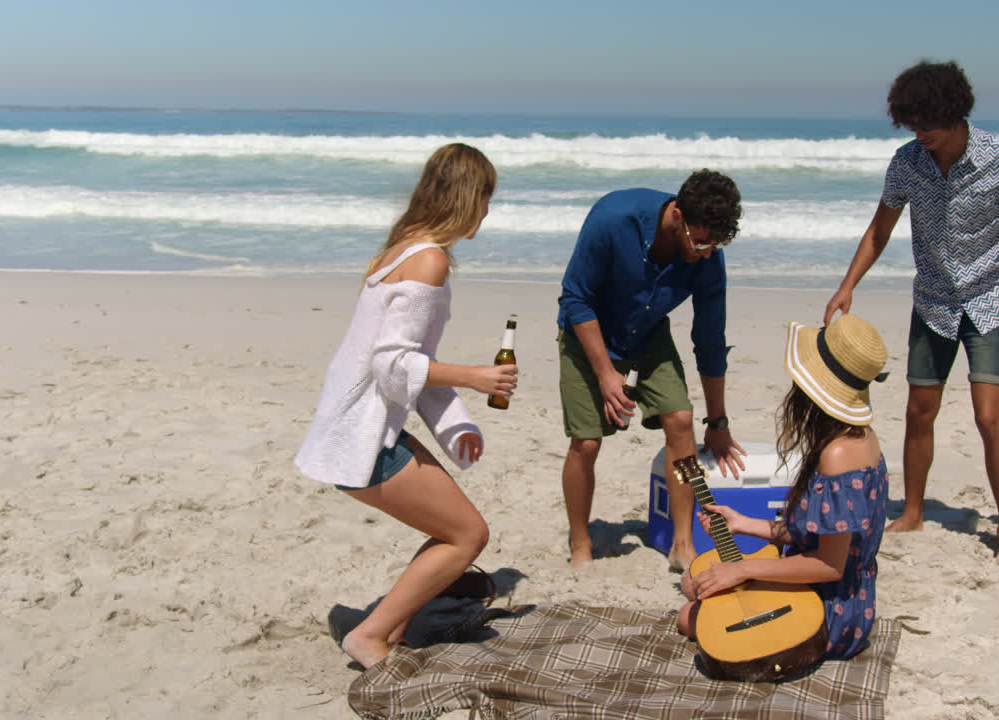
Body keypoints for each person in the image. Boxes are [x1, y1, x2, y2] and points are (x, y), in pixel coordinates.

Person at [824, 61, 999, 564]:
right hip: (933, 301)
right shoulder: (907, 163)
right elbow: (879, 231)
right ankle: (912, 512)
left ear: (954, 112)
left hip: (989, 299)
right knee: (918, 411)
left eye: (928, 122)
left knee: (988, 416)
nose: (921, 132)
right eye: (912, 124)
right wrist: (847, 286)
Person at [294, 143, 517, 669]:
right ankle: (369, 636)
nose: (487, 210)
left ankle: (388, 630)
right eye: (486, 197)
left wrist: (456, 425)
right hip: (362, 434)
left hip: (358, 426)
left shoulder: (403, 248)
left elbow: (411, 364)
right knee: (468, 535)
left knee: (453, 531)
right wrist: (475, 377)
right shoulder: (429, 260)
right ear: (466, 197)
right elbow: (393, 365)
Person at [557, 169, 748, 571]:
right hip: (589, 331)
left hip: (647, 333)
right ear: (677, 215)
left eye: (716, 244)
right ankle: (581, 543)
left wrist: (718, 421)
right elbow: (575, 298)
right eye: (701, 242)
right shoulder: (612, 219)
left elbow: (710, 341)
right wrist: (606, 373)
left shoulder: (708, 254)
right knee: (587, 442)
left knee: (680, 419)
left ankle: (682, 545)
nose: (707, 253)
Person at [677, 313, 890, 661]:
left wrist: (743, 568)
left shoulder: (837, 455)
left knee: (689, 616)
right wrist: (743, 523)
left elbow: (829, 565)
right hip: (842, 592)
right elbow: (821, 535)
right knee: (692, 582)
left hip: (830, 609)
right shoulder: (859, 436)